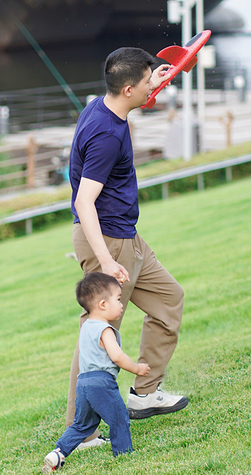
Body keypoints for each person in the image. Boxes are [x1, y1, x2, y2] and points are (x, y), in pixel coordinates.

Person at [66, 46, 188, 447]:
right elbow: (85, 202)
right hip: (108, 241)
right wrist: (104, 261)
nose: (156, 85)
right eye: (151, 79)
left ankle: (144, 394)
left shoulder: (108, 106)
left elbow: (142, 83)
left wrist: (161, 71)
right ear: (131, 87)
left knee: (169, 298)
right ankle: (81, 432)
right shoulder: (105, 134)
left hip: (126, 235)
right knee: (100, 334)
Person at [43, 273, 150, 474]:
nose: (121, 305)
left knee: (81, 425)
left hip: (82, 383)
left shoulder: (86, 328)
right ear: (102, 304)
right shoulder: (105, 330)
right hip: (102, 383)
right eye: (118, 299)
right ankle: (124, 456)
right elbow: (117, 356)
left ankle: (58, 452)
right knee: (119, 419)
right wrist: (137, 368)